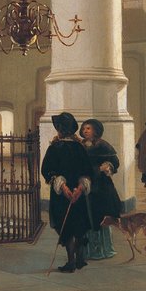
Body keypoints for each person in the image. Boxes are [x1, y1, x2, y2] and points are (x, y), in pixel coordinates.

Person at [40, 111, 94, 272]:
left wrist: (63, 187)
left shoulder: (55, 147)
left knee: (66, 227)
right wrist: (80, 188)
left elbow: (47, 170)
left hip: (62, 196)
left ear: (60, 129)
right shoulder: (80, 147)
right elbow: (87, 171)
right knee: (79, 225)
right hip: (78, 194)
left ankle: (71, 262)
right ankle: (79, 260)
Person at [80, 118, 121, 260]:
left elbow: (115, 162)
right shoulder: (80, 145)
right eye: (84, 128)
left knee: (101, 216)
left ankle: (104, 250)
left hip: (101, 187)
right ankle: (88, 251)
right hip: (86, 186)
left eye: (88, 128)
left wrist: (108, 166)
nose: (85, 131)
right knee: (87, 218)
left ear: (96, 131)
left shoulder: (103, 145)